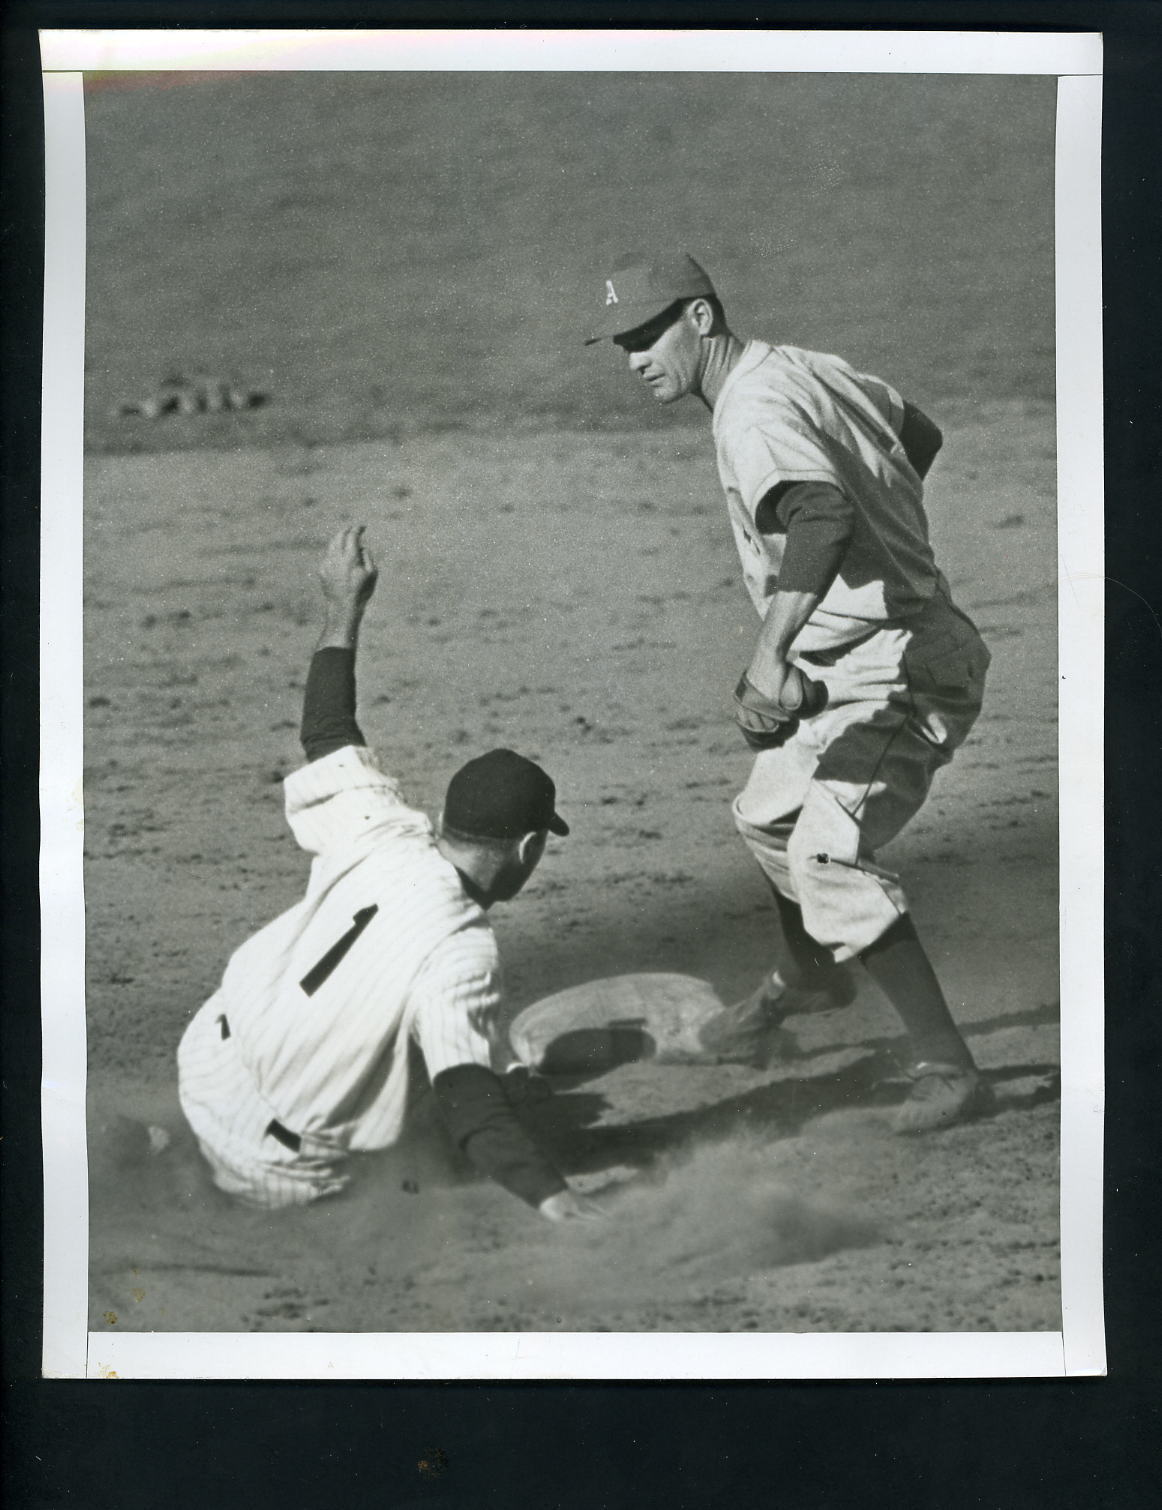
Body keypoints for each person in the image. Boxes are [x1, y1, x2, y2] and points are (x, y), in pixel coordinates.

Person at [586, 253, 993, 1133]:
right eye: (620, 342)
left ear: (699, 318)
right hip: (853, 656)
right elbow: (916, 433)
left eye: (645, 334)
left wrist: (772, 653)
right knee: (768, 816)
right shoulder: (803, 367)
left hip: (902, 665)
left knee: (828, 855)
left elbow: (823, 512)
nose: (632, 358)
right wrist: (890, 544)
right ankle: (811, 975)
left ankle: (948, 1067)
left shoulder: (756, 410)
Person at [178, 526, 601, 1217]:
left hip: (208, 1065)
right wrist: (552, 1197)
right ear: (527, 849)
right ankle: (211, 1183)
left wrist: (344, 606)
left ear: (444, 820)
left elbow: (327, 730)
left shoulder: (385, 830)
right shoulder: (463, 952)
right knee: (469, 1106)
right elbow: (468, 1100)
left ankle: (166, 1149)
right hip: (276, 1169)